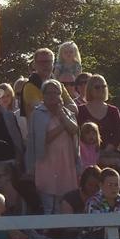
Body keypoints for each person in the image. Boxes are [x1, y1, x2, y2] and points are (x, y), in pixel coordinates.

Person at [27, 80, 80, 214]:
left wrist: (61, 114)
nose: (52, 96)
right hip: (46, 162)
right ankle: (46, 232)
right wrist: (63, 126)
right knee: (48, 204)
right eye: (48, 93)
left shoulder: (66, 112)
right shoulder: (38, 114)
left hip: (65, 162)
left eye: (56, 93)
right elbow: (43, 139)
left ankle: (62, 232)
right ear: (43, 95)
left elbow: (74, 130)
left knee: (63, 202)